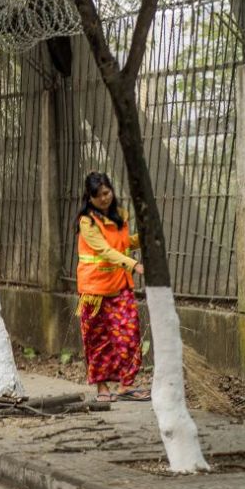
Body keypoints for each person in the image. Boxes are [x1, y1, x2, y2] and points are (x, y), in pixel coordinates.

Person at [75, 171, 151, 402]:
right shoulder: (87, 221)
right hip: (95, 291)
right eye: (98, 196)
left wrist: (145, 236)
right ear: (89, 198)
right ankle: (102, 388)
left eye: (107, 193)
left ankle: (126, 385)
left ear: (112, 191)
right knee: (97, 341)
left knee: (129, 335)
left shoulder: (120, 216)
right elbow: (104, 250)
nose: (104, 198)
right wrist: (134, 264)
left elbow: (122, 244)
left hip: (120, 287)